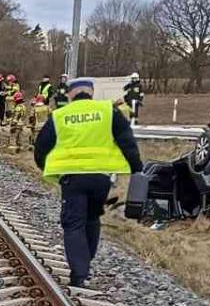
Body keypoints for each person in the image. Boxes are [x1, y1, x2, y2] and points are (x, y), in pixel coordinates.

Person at [34, 77, 144, 288]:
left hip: (73, 179)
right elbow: (127, 141)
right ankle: (85, 265)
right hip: (101, 178)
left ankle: (79, 274)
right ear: (91, 92)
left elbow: (42, 147)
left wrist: (45, 166)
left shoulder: (60, 115)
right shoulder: (108, 111)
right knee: (92, 219)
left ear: (70, 94)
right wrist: (136, 168)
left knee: (73, 223)